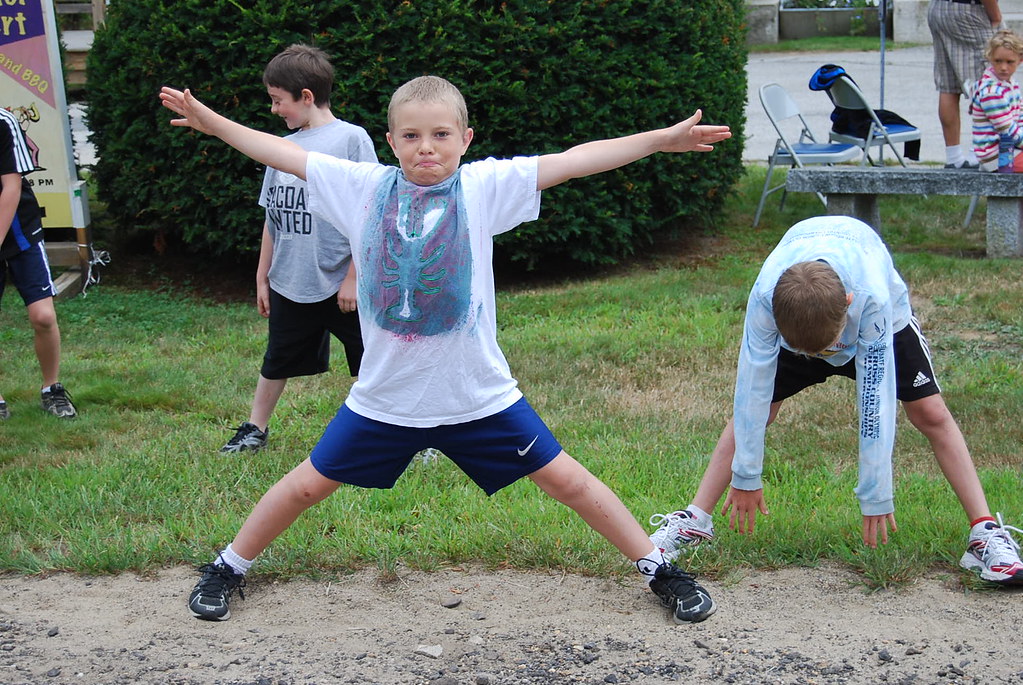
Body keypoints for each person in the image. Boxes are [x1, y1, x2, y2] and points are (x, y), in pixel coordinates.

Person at [160, 75, 731, 624]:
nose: (426, 148)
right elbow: (277, 151)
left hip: (478, 397)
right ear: (390, 142)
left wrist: (662, 141)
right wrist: (213, 123)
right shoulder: (360, 186)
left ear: (466, 139)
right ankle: (227, 566)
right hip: (385, 400)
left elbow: (577, 158)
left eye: (440, 135)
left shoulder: (484, 188)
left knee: (570, 483)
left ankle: (659, 570)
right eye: (410, 136)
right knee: (306, 484)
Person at [649, 215, 1023, 586]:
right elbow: (751, 391)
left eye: (827, 349)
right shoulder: (766, 298)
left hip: (876, 328)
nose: (823, 357)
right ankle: (695, 521)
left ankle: (985, 532)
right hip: (806, 320)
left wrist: (876, 493)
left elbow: (875, 403)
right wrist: (746, 476)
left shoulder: (871, 297)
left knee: (930, 412)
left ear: (848, 302)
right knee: (757, 412)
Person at [220, 44, 378, 454]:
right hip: (291, 279)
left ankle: (412, 431)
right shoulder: (281, 149)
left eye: (278, 100)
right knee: (278, 358)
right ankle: (255, 428)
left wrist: (354, 277)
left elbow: (369, 214)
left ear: (306, 97)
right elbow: (272, 216)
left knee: (374, 361)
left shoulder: (351, 139)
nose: (274, 110)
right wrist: (262, 275)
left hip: (342, 284)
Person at [0, 107, 77, 420]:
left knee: (43, 316)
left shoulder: (3, 121)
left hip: (18, 232)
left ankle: (52, 389)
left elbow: (11, 187)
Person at [927, 0, 1002, 169]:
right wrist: (995, 16)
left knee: (948, 85)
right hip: (969, 10)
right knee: (988, 83)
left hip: (938, 8)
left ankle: (953, 157)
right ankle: (979, 154)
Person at [970, 29, 1023, 172]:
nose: (1003, 67)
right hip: (996, 156)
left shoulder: (1011, 84)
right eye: (998, 61)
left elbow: (1020, 118)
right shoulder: (991, 92)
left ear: (1020, 60)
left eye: (1009, 62)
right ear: (990, 57)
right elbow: (1007, 130)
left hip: (1013, 148)